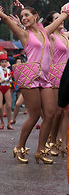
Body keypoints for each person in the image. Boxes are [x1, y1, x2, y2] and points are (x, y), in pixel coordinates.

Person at [0, 0, 68, 164]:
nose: (23, 18)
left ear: (36, 16)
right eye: (22, 16)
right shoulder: (24, 34)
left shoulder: (46, 31)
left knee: (51, 114)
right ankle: (19, 145)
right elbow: (3, 17)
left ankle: (40, 150)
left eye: (27, 15)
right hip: (31, 77)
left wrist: (66, 11)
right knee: (35, 115)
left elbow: (63, 16)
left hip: (45, 78)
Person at [42, 11, 69, 156]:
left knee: (67, 111)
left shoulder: (65, 35)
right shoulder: (51, 36)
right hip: (55, 74)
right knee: (57, 111)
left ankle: (64, 143)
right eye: (57, 18)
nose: (62, 20)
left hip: (67, 74)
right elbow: (44, 31)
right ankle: (52, 141)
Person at [0, 53, 13, 130]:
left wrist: (11, 80)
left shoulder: (8, 70)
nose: (4, 63)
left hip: (6, 87)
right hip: (0, 88)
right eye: (2, 62)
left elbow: (10, 81)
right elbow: (1, 81)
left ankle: (9, 123)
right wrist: (8, 78)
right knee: (0, 107)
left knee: (9, 106)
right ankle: (2, 121)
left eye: (5, 62)